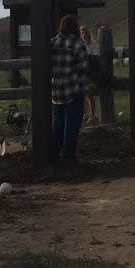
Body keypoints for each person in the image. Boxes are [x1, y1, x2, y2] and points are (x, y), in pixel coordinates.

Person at [50, 14, 89, 162]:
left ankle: (55, 154)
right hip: (72, 90)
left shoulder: (52, 42)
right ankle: (68, 156)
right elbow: (83, 68)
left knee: (58, 125)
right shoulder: (77, 43)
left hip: (56, 91)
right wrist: (81, 85)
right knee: (71, 125)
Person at [79, 25, 101, 125]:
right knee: (83, 95)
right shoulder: (80, 43)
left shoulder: (93, 43)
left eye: (85, 32)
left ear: (88, 33)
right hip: (82, 71)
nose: (84, 35)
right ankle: (85, 114)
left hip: (90, 72)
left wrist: (87, 57)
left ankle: (92, 115)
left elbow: (94, 56)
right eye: (82, 33)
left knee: (90, 94)